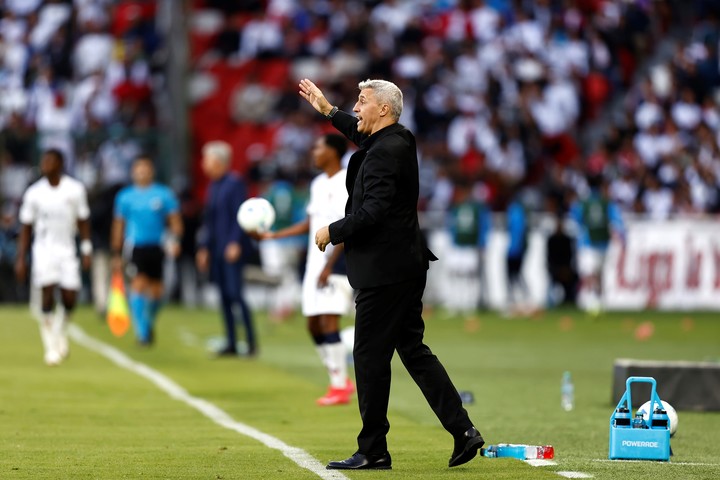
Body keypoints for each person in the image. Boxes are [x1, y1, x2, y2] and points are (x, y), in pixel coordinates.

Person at [300, 78, 484, 470]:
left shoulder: (386, 150)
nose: (356, 108)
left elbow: (374, 211)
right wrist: (329, 111)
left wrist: (333, 230)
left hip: (386, 271)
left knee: (368, 356)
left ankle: (373, 449)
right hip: (402, 265)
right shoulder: (396, 140)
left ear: (383, 109)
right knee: (413, 351)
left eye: (361, 101)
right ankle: (464, 431)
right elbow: (360, 135)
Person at [256, 134, 355, 405]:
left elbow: (348, 226)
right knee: (313, 324)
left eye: (319, 147)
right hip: (314, 264)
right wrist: (273, 236)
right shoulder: (318, 183)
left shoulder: (347, 183)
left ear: (333, 152)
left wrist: (330, 266)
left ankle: (339, 386)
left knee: (329, 320)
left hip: (336, 264)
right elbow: (311, 223)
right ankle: (339, 378)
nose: (314, 152)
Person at [15, 148, 92, 366]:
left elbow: (83, 220)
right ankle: (50, 347)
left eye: (50, 161)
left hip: (67, 249)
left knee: (70, 296)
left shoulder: (75, 189)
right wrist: (21, 257)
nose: (45, 165)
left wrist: (86, 248)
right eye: (44, 161)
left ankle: (59, 331)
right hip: (44, 250)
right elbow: (26, 227)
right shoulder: (34, 193)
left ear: (60, 164)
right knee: (47, 292)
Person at [111, 156, 183, 345]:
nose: (142, 172)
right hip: (135, 246)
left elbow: (175, 221)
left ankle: (148, 321)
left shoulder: (164, 194)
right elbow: (119, 225)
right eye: (138, 168)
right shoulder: (125, 196)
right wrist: (116, 253)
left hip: (158, 246)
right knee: (139, 284)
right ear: (133, 172)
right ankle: (142, 333)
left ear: (152, 171)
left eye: (146, 168)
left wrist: (175, 240)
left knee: (158, 292)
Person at [196, 141, 257, 357]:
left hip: (231, 249)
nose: (203, 164)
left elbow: (241, 215)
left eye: (207, 159)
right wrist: (204, 247)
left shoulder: (234, 183)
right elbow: (209, 221)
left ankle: (250, 342)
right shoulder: (213, 185)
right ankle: (231, 341)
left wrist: (235, 242)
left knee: (235, 294)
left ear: (218, 161)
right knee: (223, 296)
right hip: (216, 249)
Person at [570, 174, 624, 315]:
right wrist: (622, 236)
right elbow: (617, 220)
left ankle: (593, 301)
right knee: (598, 274)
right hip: (603, 243)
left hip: (587, 243)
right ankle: (598, 301)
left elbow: (575, 220)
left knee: (590, 273)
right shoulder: (607, 203)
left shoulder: (582, 203)